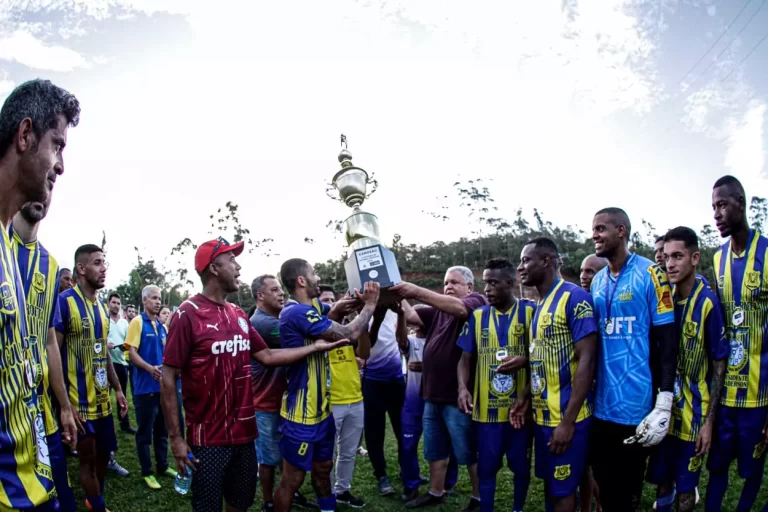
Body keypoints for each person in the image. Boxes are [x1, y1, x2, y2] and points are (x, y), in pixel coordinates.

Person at [160, 240, 350, 512]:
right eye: (232, 261)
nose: (238, 267)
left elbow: (267, 356)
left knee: (241, 502)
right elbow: (168, 376)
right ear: (214, 268)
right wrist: (177, 438)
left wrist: (315, 348)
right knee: (208, 506)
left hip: (245, 435)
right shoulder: (187, 314)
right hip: (208, 439)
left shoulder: (237, 314)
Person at [0, 78, 80, 511]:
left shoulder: (23, 255)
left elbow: (44, 340)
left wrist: (60, 407)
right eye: (57, 145)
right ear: (25, 135)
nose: (61, 166)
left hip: (31, 465)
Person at [273, 258, 380, 512]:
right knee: (293, 479)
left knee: (323, 470)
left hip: (323, 411)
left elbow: (334, 311)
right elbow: (348, 334)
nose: (317, 277)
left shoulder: (311, 307)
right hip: (301, 413)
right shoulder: (296, 311)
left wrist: (355, 299)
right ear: (301, 280)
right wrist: (371, 304)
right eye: (313, 273)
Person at [589, 207, 677, 512]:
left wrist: (665, 399)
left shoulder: (651, 273)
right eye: (594, 229)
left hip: (636, 405)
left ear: (621, 231)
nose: (594, 235)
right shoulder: (598, 280)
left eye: (601, 229)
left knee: (627, 493)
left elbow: (668, 341)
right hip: (601, 406)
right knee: (603, 483)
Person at [644, 227, 727, 512]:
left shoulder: (708, 303)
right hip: (663, 407)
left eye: (677, 256)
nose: (670, 264)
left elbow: (719, 364)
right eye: (666, 257)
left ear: (694, 258)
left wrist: (708, 422)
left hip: (694, 413)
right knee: (662, 479)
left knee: (686, 485)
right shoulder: (662, 299)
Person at [390, 266, 487, 511]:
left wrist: (414, 289)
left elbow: (460, 308)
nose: (448, 287)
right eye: (445, 283)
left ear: (469, 287)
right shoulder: (437, 313)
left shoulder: (476, 302)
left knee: (469, 452)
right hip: (431, 395)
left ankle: (479, 497)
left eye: (454, 282)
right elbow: (411, 316)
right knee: (435, 449)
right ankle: (436, 491)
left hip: (458, 397)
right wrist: (391, 289)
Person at [513, 239, 597, 512]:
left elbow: (587, 360)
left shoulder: (574, 298)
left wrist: (568, 423)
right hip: (542, 417)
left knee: (563, 492)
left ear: (547, 261)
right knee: (552, 487)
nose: (520, 267)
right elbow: (541, 357)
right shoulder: (540, 304)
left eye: (526, 260)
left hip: (566, 418)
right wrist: (526, 396)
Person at [11, 196, 78, 512]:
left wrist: (64, 406)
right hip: (7, 416)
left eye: (50, 182)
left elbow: (50, 339)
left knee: (61, 497)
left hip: (42, 413)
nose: (41, 192)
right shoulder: (3, 247)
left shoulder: (50, 265)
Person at [706, 175, 768, 512]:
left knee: (751, 470)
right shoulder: (717, 260)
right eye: (713, 207)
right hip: (725, 393)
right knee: (717, 466)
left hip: (760, 395)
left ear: (741, 203)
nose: (716, 213)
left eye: (722, 205)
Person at [457, 258, 534, 512]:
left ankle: (517, 508)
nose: (487, 289)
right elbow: (464, 359)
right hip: (486, 413)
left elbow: (542, 355)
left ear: (510, 283)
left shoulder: (530, 314)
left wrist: (525, 365)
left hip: (519, 412)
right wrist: (463, 388)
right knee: (487, 467)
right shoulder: (477, 317)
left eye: (493, 283)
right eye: (484, 283)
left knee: (520, 467)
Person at [56, 244, 129, 512]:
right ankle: (97, 505)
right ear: (81, 268)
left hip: (102, 402)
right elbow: (54, 354)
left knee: (103, 456)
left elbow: (104, 352)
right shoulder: (65, 303)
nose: (103, 268)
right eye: (97, 263)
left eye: (104, 262)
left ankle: (92, 497)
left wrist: (118, 389)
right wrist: (65, 403)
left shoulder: (100, 306)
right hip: (79, 403)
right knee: (85, 461)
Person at [250, 275, 317, 511]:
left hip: (284, 402)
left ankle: (287, 493)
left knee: (286, 455)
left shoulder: (276, 319)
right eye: (274, 290)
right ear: (260, 296)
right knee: (268, 459)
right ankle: (268, 501)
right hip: (266, 404)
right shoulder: (263, 324)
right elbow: (305, 336)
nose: (281, 294)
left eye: (281, 289)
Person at [400, 305, 458, 502]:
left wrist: (426, 366)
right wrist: (401, 315)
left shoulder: (443, 341)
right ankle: (411, 484)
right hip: (413, 401)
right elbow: (401, 341)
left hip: (437, 400)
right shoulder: (411, 341)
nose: (415, 324)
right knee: (408, 445)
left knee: (449, 444)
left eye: (418, 319)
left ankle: (448, 483)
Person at [126, 285, 176, 489]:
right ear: (144, 300)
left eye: (159, 298)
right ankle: (147, 471)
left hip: (162, 388)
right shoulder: (138, 322)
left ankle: (163, 465)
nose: (157, 301)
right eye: (154, 298)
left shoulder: (162, 326)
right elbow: (131, 353)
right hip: (144, 388)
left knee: (162, 430)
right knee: (145, 432)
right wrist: (149, 369)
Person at [362, 301, 408, 496]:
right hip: (372, 381)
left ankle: (405, 470)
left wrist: (401, 312)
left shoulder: (392, 310)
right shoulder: (361, 312)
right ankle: (381, 476)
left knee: (403, 430)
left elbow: (404, 338)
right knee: (375, 434)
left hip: (396, 380)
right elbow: (364, 349)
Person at [329, 296, 371, 508]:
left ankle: (342, 490)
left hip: (355, 399)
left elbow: (364, 354)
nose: (331, 303)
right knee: (327, 454)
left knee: (347, 452)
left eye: (332, 300)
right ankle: (326, 495)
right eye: (325, 301)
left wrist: (360, 320)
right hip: (330, 402)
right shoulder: (318, 331)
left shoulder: (350, 332)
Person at [577, 254, 606, 512]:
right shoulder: (575, 302)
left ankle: (600, 503)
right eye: (583, 271)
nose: (585, 276)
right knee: (584, 460)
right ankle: (585, 504)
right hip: (580, 391)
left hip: (604, 391)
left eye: (592, 271)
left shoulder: (605, 303)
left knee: (599, 459)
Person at [106, 292, 136, 435]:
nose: (116, 305)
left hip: (121, 363)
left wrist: (124, 345)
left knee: (122, 394)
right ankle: (104, 424)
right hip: (106, 363)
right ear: (108, 303)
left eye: (118, 303)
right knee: (104, 395)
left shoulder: (124, 323)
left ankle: (124, 423)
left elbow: (129, 341)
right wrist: (106, 343)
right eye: (114, 302)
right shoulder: (104, 319)